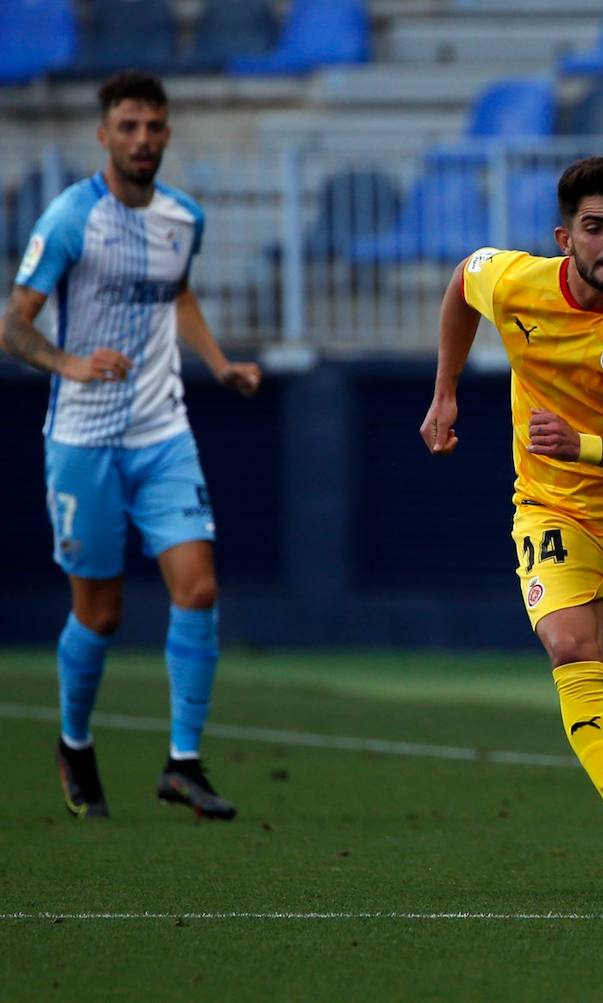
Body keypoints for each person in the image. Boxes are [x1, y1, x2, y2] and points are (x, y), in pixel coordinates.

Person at [419, 157, 603, 874]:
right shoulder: (518, 281)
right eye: (594, 228)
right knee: (570, 648)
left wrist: (580, 443)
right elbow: (464, 280)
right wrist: (446, 390)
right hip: (553, 506)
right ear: (564, 236)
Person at [0, 71, 260, 821]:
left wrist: (218, 364)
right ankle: (74, 742)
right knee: (102, 613)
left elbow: (176, 292)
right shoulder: (71, 217)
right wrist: (66, 361)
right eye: (129, 126)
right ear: (103, 135)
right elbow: (14, 322)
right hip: (84, 438)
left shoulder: (185, 218)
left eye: (154, 126)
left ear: (168, 133)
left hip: (162, 430)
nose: (143, 139)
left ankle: (182, 762)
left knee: (199, 587)